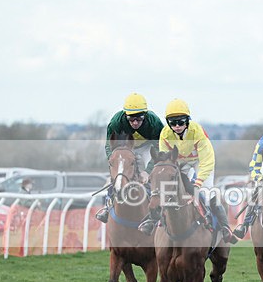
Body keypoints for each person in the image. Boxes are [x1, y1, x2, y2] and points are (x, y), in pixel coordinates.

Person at [138, 98, 235, 242]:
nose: (177, 126)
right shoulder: (165, 134)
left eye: (181, 122)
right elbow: (164, 160)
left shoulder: (197, 132)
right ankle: (151, 220)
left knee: (206, 192)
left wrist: (197, 184)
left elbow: (207, 161)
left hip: (200, 161)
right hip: (180, 162)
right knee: (169, 191)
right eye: (173, 123)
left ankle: (224, 227)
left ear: (187, 121)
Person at [96, 92, 164, 223]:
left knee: (147, 173)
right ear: (125, 116)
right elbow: (108, 146)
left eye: (139, 119)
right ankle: (108, 205)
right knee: (119, 173)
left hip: (147, 147)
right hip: (125, 148)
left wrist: (147, 172)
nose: (135, 122)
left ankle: (155, 207)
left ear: (146, 115)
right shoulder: (116, 122)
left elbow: (159, 148)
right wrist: (113, 160)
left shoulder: (154, 123)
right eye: (131, 119)